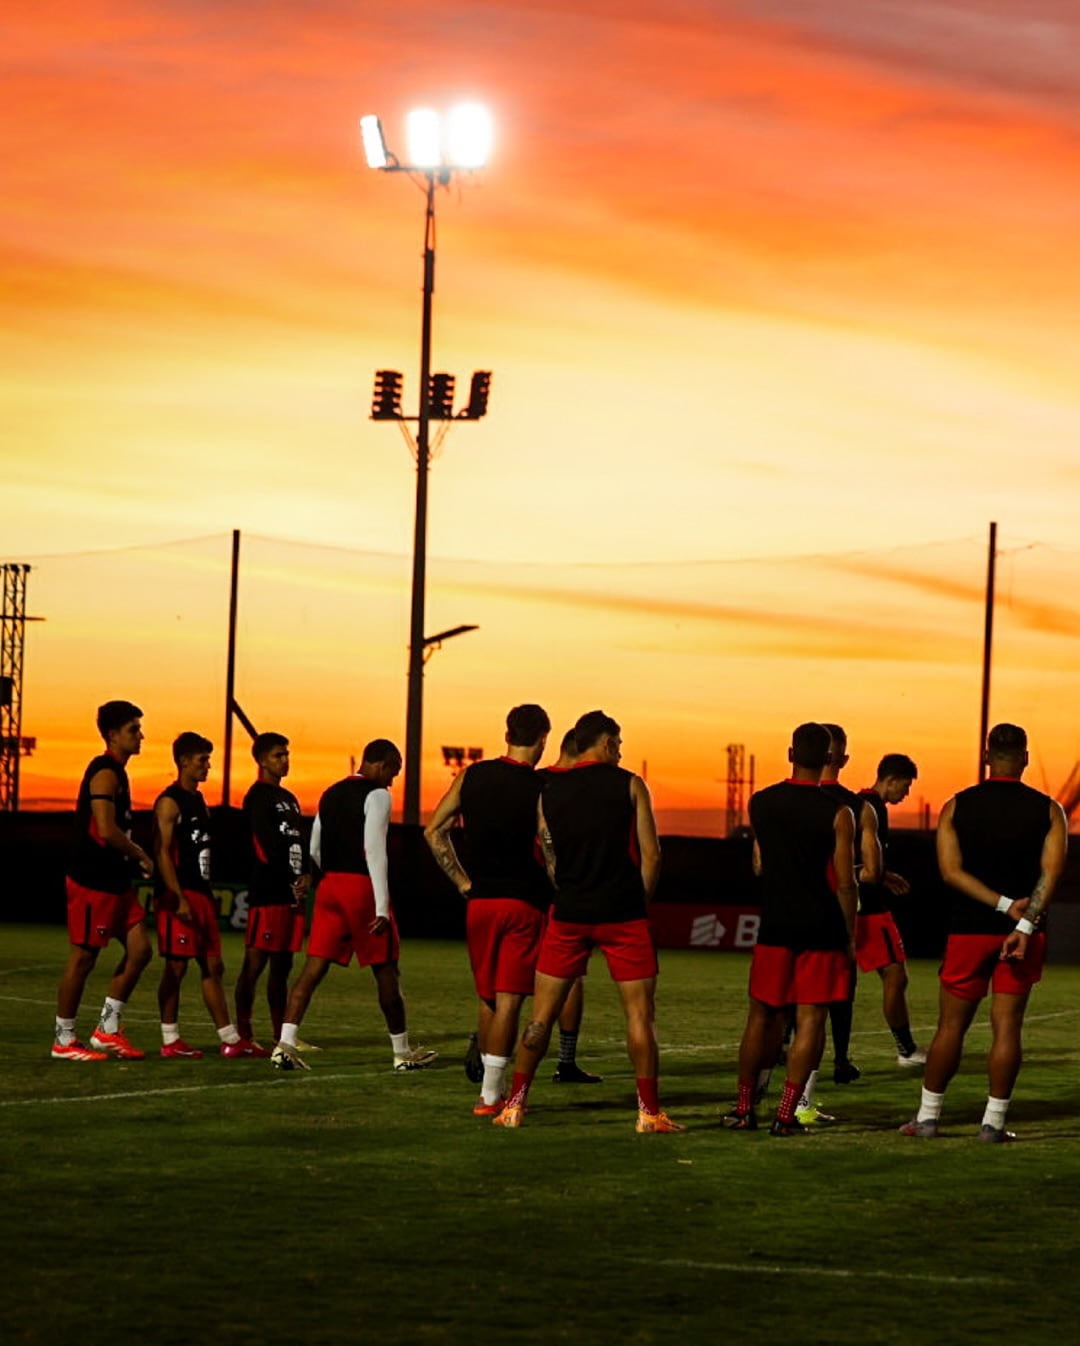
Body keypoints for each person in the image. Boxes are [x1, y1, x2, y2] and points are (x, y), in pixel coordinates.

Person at [495, 710, 682, 1133]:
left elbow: (548, 852)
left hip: (570, 911)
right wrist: (639, 901)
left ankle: (515, 1106)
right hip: (623, 914)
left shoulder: (549, 789)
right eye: (617, 743)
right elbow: (652, 855)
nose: (620, 751)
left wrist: (567, 888)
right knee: (639, 1016)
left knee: (540, 1015)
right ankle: (649, 1114)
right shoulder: (630, 783)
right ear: (605, 742)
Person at [900, 724, 1066, 1142]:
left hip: (969, 931)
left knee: (949, 1028)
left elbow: (950, 872)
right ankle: (993, 1123)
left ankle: (928, 1118)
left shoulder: (957, 806)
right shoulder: (1049, 810)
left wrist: (1001, 904)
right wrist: (1023, 921)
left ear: (987, 756)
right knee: (1007, 1028)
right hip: (1024, 934)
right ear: (1024, 758)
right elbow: (1051, 873)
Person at [723, 722, 857, 1136]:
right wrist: (850, 937)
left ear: (790, 753)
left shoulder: (761, 803)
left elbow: (760, 863)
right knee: (812, 1017)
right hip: (821, 924)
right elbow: (846, 881)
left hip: (776, 922)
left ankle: (744, 1108)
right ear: (830, 759)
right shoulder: (839, 813)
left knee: (760, 1017)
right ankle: (786, 1113)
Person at [272, 739, 437, 1073]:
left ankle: (284, 1045)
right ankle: (402, 1052)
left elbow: (315, 848)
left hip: (330, 886)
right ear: (381, 764)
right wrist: (380, 906)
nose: (392, 780)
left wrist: (327, 878)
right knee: (387, 968)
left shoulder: (330, 792)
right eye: (393, 771)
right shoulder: (378, 795)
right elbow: (375, 850)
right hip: (360, 887)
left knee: (313, 968)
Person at [426, 705, 560, 1113]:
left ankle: (488, 1085)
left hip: (480, 903)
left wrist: (465, 883)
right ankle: (490, 1095)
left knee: (487, 998)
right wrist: (560, 886)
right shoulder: (540, 786)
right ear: (542, 739)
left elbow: (434, 832)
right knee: (509, 1000)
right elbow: (549, 842)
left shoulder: (472, 775)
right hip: (523, 902)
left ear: (507, 734)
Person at [53, 700, 154, 1061]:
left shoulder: (120, 773)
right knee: (83, 958)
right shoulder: (105, 771)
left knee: (141, 950)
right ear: (112, 735)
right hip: (92, 878)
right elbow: (107, 829)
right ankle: (63, 1039)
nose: (140, 735)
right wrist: (141, 854)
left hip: (115, 880)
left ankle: (107, 1030)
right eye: (133, 729)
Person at [151, 732, 245, 1058]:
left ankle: (230, 1040)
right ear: (183, 762)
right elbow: (162, 852)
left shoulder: (199, 801)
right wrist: (177, 897)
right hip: (179, 895)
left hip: (202, 893)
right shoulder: (169, 801)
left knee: (213, 966)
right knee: (176, 968)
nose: (208, 766)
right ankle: (169, 1039)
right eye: (202, 760)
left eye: (208, 759)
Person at [808, 723, 882, 1105]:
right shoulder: (858, 808)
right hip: (837, 911)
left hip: (789, 909)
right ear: (843, 758)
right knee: (839, 993)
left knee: (784, 1001)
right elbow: (871, 871)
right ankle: (839, 1059)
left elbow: (760, 864)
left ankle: (757, 1090)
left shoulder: (777, 801)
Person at [233, 732, 310, 1056]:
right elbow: (263, 847)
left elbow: (298, 843)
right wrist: (285, 878)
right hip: (268, 893)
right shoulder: (257, 797)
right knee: (254, 963)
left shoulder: (290, 798)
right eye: (279, 755)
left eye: (286, 754)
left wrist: (305, 874)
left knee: (283, 966)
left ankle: (283, 1035)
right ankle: (244, 1032)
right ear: (262, 760)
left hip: (292, 897)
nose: (285, 760)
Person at [541, 730, 602, 1087]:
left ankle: (491, 1051)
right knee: (570, 976)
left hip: (533, 891)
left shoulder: (539, 781)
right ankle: (565, 1060)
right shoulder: (575, 788)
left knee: (514, 980)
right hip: (560, 895)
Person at [856, 753, 926, 1068]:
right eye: (906, 786)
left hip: (855, 906)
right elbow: (855, 863)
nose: (906, 793)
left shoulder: (859, 804)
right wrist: (875, 875)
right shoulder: (871, 808)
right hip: (867, 911)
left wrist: (884, 875)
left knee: (828, 981)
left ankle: (786, 1041)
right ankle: (906, 1050)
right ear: (892, 780)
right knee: (896, 976)